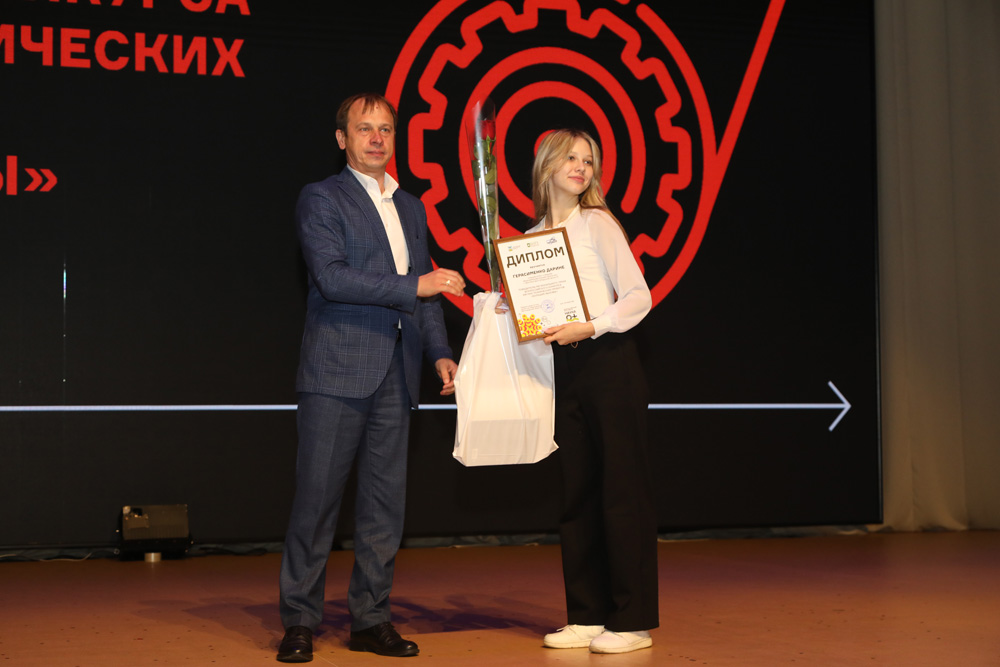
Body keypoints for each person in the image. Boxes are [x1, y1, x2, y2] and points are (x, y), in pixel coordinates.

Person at [277, 92, 466, 663]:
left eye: (385, 128)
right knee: (317, 503)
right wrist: (415, 286)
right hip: (336, 370)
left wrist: (440, 352)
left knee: (385, 507)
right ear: (343, 139)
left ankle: (371, 618)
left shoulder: (411, 206)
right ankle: (299, 622)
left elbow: (424, 287)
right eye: (365, 129)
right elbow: (333, 278)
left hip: (398, 373)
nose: (377, 138)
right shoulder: (321, 198)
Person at [527, 129, 658, 654]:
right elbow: (535, 319)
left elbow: (639, 297)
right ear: (546, 166)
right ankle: (585, 615)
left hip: (609, 362)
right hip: (562, 371)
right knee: (575, 494)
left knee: (623, 493)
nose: (581, 167)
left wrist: (592, 325)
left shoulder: (597, 222)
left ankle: (632, 621)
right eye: (570, 157)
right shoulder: (530, 239)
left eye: (588, 160)